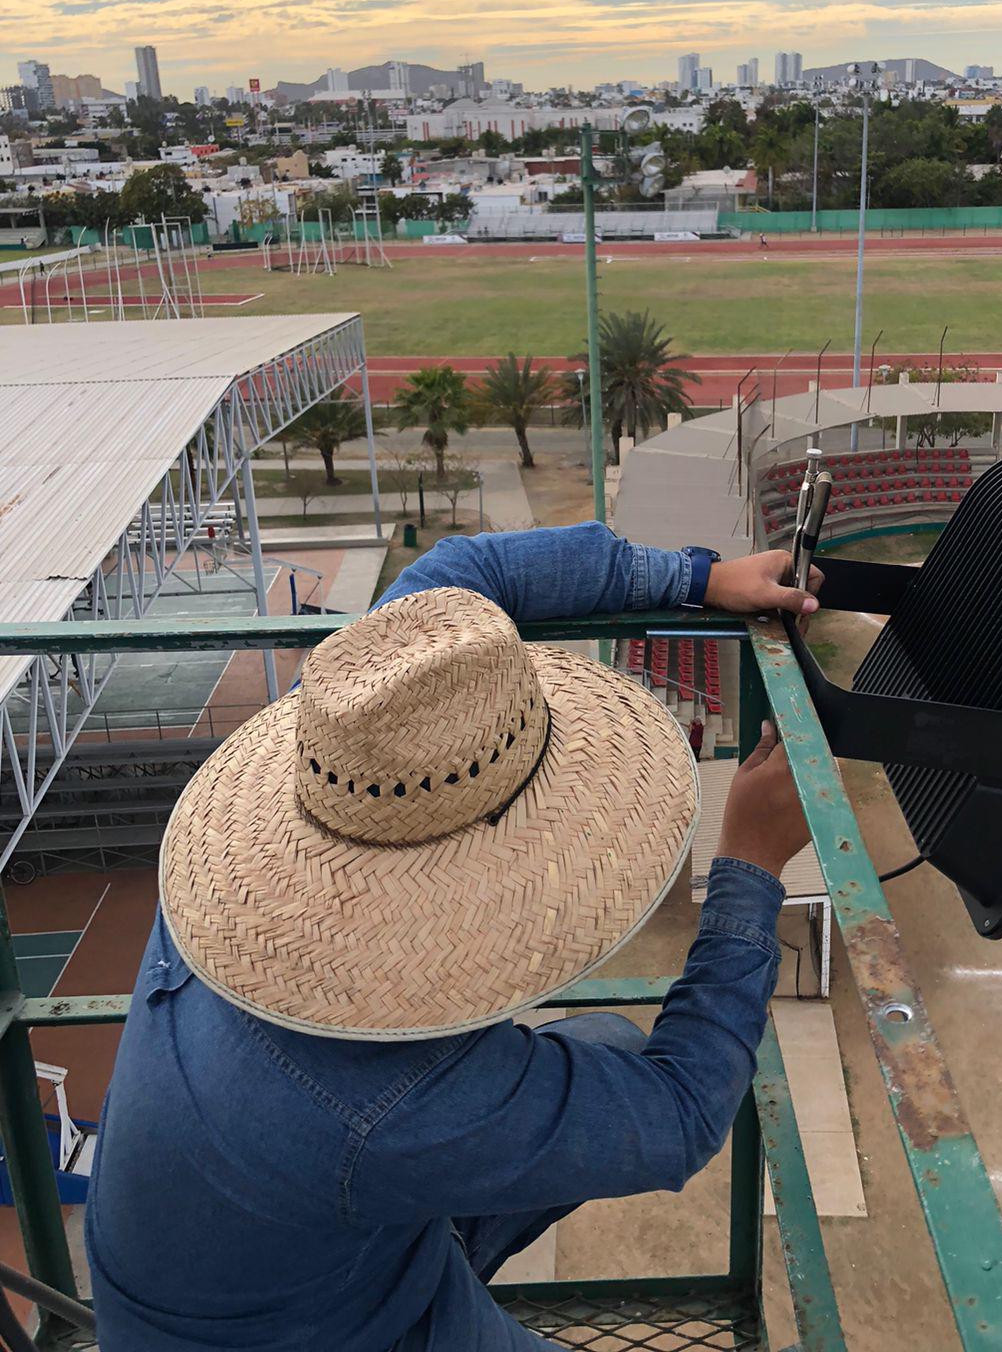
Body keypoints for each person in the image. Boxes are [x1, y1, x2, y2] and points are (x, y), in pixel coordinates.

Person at [86, 522, 820, 1351]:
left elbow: (458, 572)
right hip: (320, 1331)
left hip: (252, 1260)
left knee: (610, 1039)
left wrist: (699, 576)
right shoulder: (393, 1103)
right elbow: (682, 1114)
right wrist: (751, 866)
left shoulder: (344, 759)